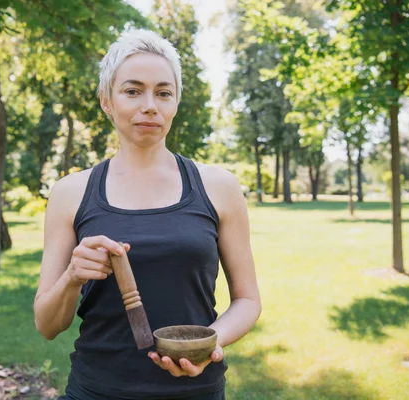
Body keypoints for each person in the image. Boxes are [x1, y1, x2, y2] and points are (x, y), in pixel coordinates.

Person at [34, 29, 262, 400]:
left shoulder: (218, 187)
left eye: (163, 92)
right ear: (107, 101)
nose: (150, 105)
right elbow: (47, 325)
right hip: (97, 390)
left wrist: (208, 343)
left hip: (196, 390)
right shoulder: (70, 193)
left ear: (175, 103)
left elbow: (248, 300)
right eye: (132, 90)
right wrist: (73, 276)